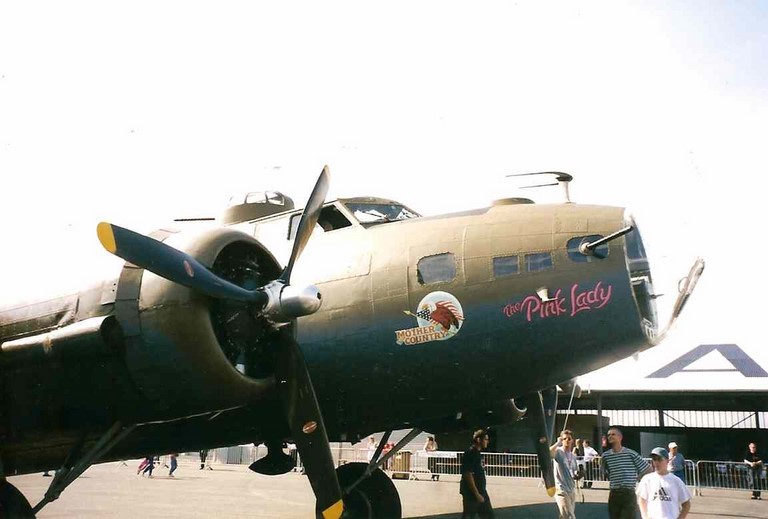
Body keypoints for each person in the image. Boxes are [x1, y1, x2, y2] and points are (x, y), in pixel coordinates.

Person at [601, 426, 651, 519]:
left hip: (628, 493)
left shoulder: (630, 453)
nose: (610, 436)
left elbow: (648, 469)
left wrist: (636, 479)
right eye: (608, 435)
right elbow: (606, 471)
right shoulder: (606, 456)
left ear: (620, 437)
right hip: (614, 494)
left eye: (613, 434)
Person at [636, 447, 691, 519]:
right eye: (654, 459)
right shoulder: (647, 479)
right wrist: (645, 516)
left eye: (659, 459)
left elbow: (686, 504)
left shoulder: (676, 481)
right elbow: (641, 499)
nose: (656, 462)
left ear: (667, 461)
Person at [460, 429, 494, 518]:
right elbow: (467, 474)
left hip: (481, 490)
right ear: (479, 440)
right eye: (485, 439)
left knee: (488, 515)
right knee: (469, 515)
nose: (487, 441)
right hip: (471, 493)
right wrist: (476, 494)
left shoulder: (477, 453)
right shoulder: (470, 453)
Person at [550, 429, 579, 519]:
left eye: (569, 439)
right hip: (561, 489)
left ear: (572, 441)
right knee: (570, 516)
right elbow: (549, 453)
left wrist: (577, 475)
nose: (567, 440)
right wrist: (557, 443)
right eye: (564, 439)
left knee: (564, 516)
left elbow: (573, 470)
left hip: (571, 489)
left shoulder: (573, 456)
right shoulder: (558, 452)